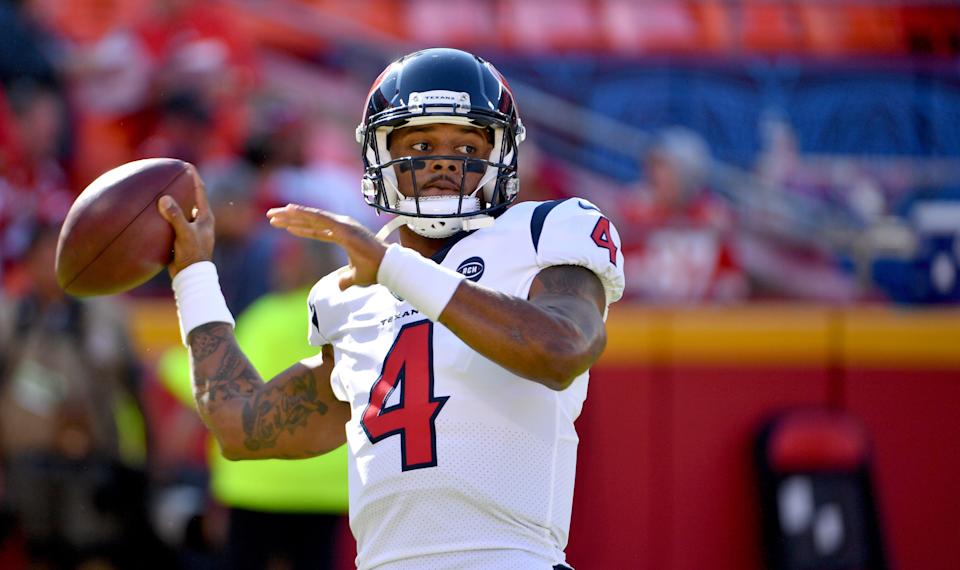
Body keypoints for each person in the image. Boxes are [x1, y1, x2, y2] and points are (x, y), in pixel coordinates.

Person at [156, 48, 625, 569]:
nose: (444, 161)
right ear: (380, 155)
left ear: (501, 156)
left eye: (467, 144)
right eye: (421, 143)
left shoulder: (545, 231)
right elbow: (241, 427)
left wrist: (394, 269)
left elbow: (562, 349)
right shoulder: (351, 294)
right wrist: (193, 276)